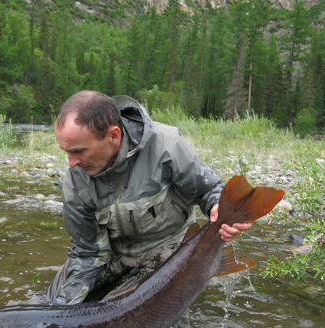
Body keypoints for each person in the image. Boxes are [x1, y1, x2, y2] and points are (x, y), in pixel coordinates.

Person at [47, 90, 251, 305]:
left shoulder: (167, 145)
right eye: (66, 152)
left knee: (135, 312)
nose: (71, 163)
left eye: (78, 151)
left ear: (113, 136)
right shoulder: (76, 179)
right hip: (114, 253)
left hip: (169, 247)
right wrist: (60, 310)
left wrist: (217, 205)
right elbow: (87, 253)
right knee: (56, 300)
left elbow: (208, 190)